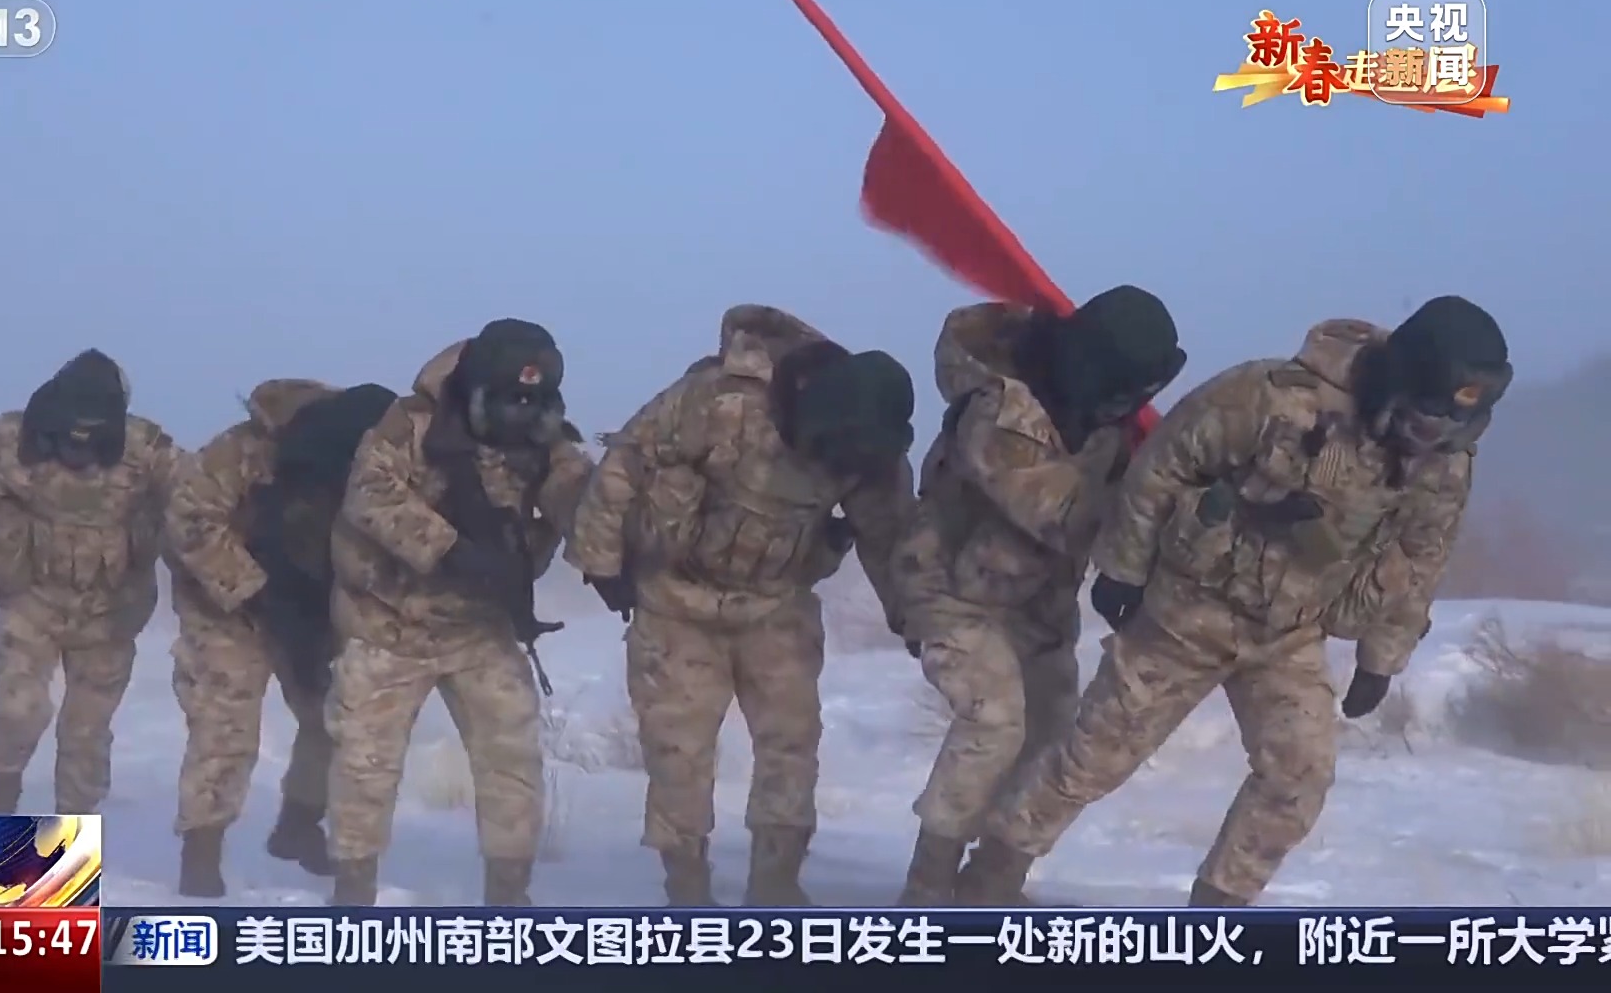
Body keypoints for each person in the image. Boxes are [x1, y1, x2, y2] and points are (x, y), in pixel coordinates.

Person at [955, 296, 1509, 906]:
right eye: (1426, 419)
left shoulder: (1442, 465)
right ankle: (989, 880)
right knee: (1093, 756)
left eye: (1450, 426)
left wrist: (1382, 658)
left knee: (1299, 775)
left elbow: (1420, 557)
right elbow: (1163, 466)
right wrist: (1123, 569)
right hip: (1188, 611)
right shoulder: (1269, 398)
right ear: (1399, 382)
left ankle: (1218, 915)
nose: (1433, 437)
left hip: (1291, 633)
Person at [565, 304, 916, 906]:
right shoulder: (718, 401)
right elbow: (626, 463)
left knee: (791, 745)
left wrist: (912, 614)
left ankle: (776, 886)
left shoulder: (870, 441)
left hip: (776, 607)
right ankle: (687, 891)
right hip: (677, 604)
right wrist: (600, 562)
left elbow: (888, 538)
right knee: (679, 753)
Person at [892, 289, 1184, 904]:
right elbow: (1063, 514)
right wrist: (1161, 507)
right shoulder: (1000, 416)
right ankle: (928, 886)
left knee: (1054, 736)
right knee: (994, 722)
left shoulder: (1099, 419)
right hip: (951, 591)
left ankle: (989, 884)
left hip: (1036, 606)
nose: (1126, 406)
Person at [324, 319, 594, 905]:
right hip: (389, 624)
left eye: (531, 400)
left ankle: (509, 894)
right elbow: (369, 494)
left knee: (511, 760)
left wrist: (608, 536)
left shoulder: (546, 440)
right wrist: (449, 549)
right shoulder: (409, 425)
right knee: (365, 764)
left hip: (481, 629)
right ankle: (352, 891)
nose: (520, 414)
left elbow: (581, 500)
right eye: (508, 400)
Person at [164, 379, 399, 897]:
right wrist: (252, 589)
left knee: (333, 717)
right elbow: (189, 519)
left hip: (310, 607)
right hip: (226, 608)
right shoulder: (238, 451)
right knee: (224, 729)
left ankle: (299, 823)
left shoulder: (370, 458)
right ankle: (201, 853)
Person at [0, 349, 181, 814]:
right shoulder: (11, 440)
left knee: (86, 732)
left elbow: (196, 508)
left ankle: (73, 824)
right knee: (18, 709)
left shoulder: (148, 450)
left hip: (112, 612)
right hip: (32, 599)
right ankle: (0, 798)